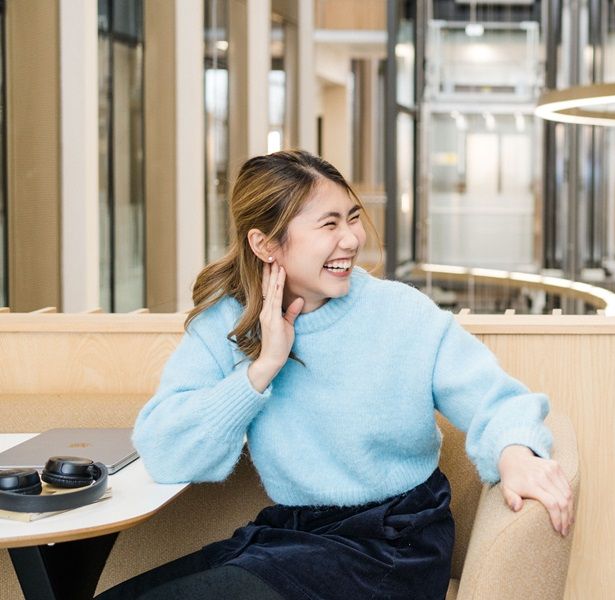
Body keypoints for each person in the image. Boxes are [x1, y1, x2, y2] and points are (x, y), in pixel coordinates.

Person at [97, 150, 573, 600]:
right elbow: (164, 451)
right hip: (289, 535)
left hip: (395, 541)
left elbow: (496, 398)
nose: (351, 238)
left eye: (351, 217)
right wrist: (261, 370)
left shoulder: (400, 312)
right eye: (329, 224)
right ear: (265, 244)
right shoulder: (226, 324)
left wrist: (515, 454)